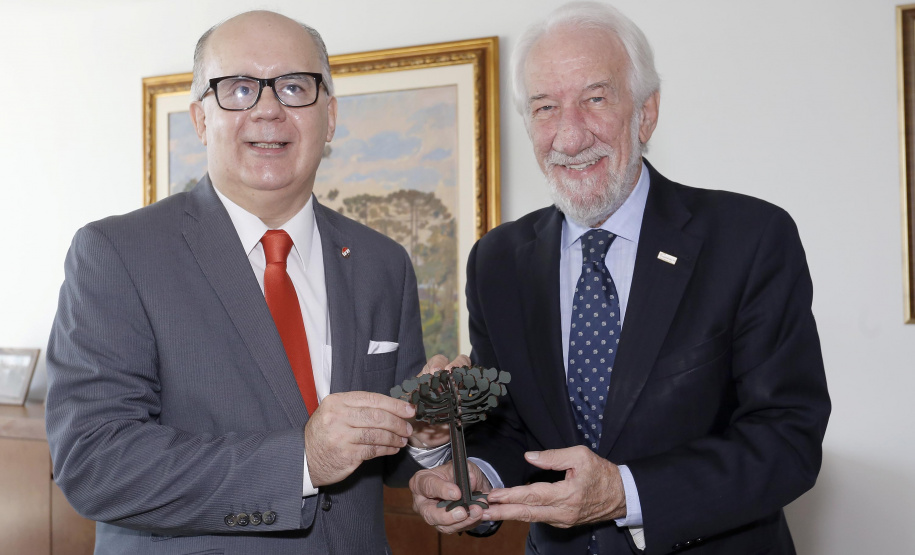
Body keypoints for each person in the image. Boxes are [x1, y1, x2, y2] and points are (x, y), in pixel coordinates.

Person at [409, 2, 831, 553]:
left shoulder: (748, 239)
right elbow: (513, 431)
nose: (569, 135)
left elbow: (787, 441)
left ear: (646, 112)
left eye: (595, 98)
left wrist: (626, 492)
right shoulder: (498, 261)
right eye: (544, 107)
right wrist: (478, 477)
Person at [46, 10, 447, 554]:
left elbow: (387, 458)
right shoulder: (118, 254)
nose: (267, 109)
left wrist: (426, 440)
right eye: (237, 88)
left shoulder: (383, 261)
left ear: (328, 117)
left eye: (293, 86)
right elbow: (94, 463)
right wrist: (303, 461)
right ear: (200, 118)